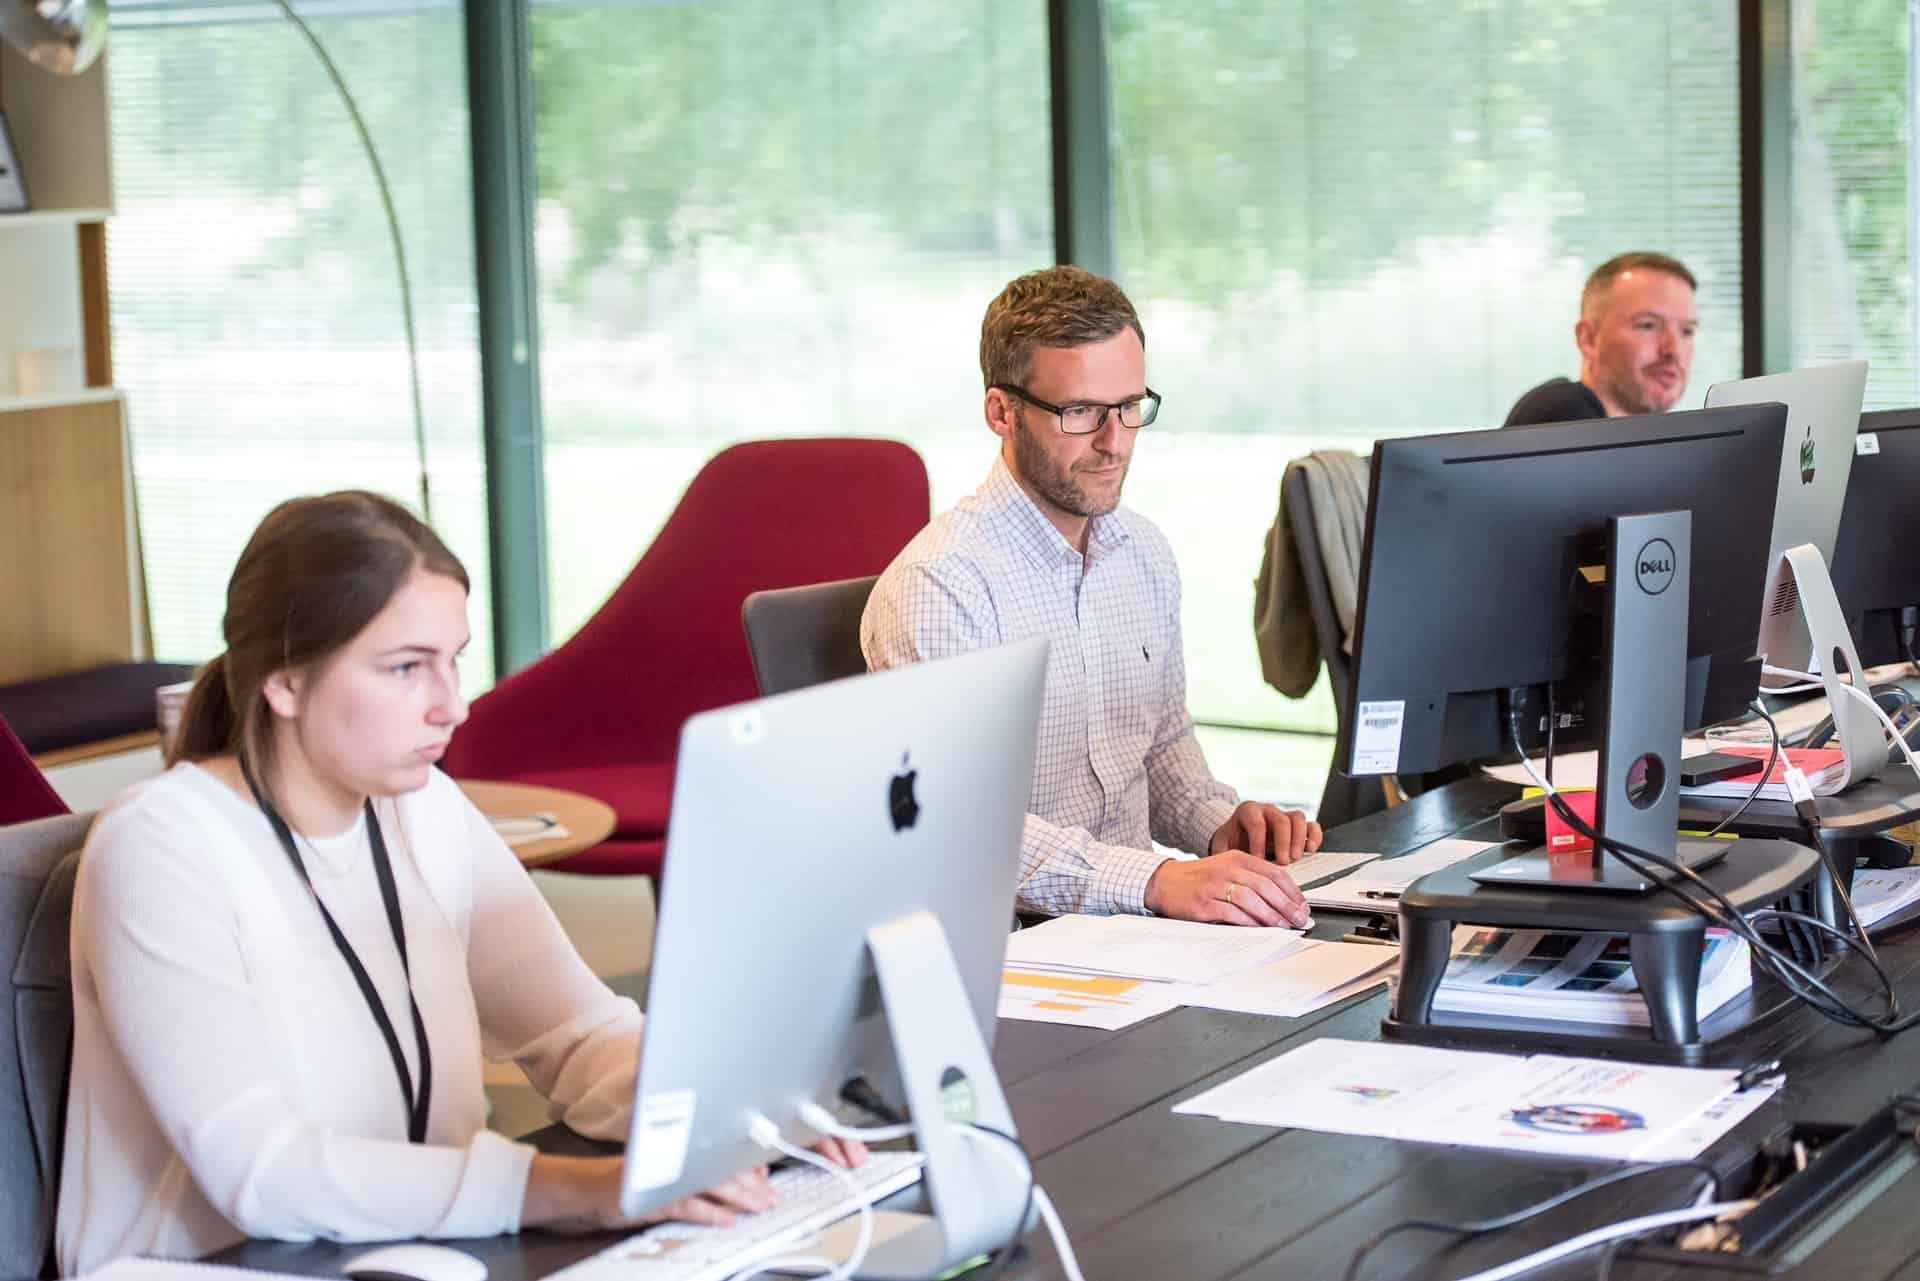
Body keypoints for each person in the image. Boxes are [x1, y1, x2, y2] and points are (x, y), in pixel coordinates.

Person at [57, 491, 859, 1274]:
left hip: (418, 1252)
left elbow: (580, 1036)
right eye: (405, 667)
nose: (452, 706)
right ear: (285, 681)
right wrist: (581, 1190)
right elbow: (264, 1173)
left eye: (454, 661)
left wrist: (743, 1112)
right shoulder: (162, 845)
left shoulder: (422, 808)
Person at [861, 265, 1322, 927]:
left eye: (1130, 407)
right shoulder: (941, 587)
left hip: (1137, 936)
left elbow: (1160, 747)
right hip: (1016, 951)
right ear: (1002, 411)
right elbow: (963, 827)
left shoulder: (1143, 553)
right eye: (1080, 412)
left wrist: (1223, 828)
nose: (1115, 442)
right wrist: (1159, 879)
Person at [1504, 251, 1699, 427]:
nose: (1673, 350)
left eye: (1687, 331)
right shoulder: (1560, 415)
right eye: (1647, 325)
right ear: (1589, 339)